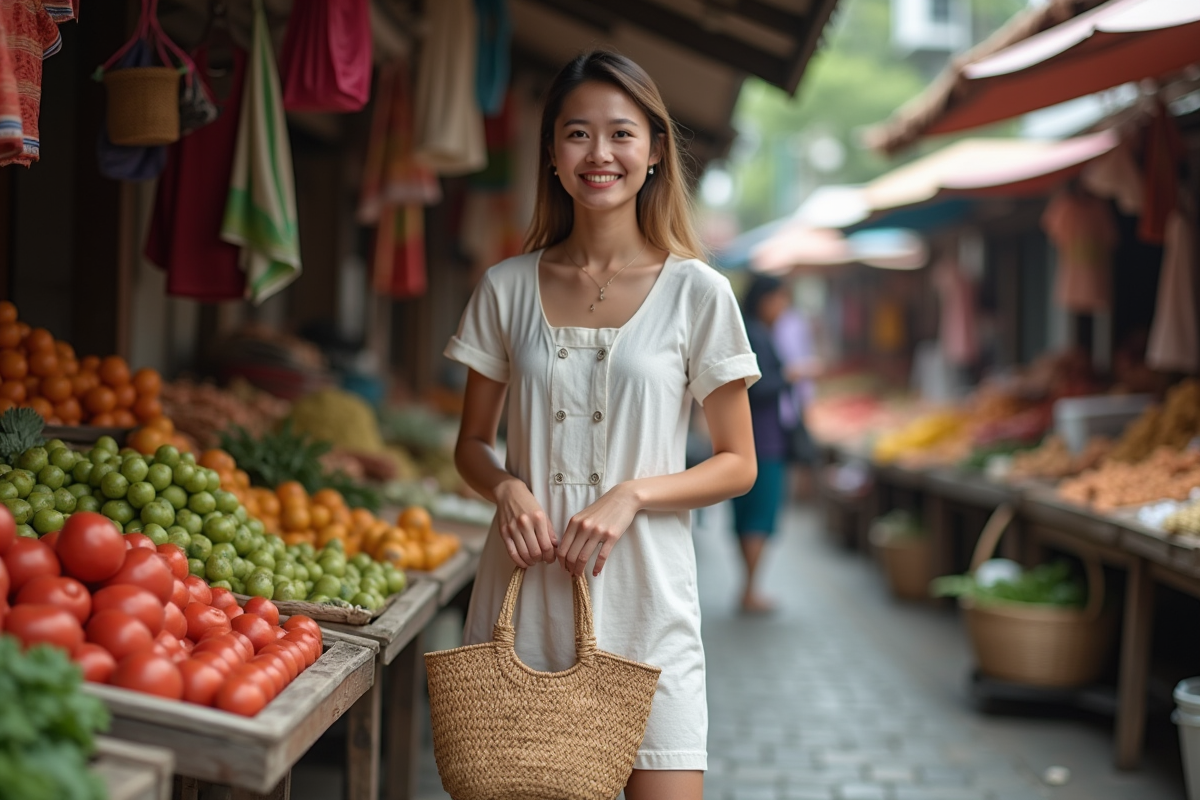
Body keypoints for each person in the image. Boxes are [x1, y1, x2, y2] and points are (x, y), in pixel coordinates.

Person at [444, 51, 760, 799]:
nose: (600, 154)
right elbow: (469, 444)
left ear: (653, 152)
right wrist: (507, 489)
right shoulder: (506, 287)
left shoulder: (699, 294)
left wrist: (634, 496)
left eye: (621, 134)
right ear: (552, 155)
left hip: (649, 607)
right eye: (577, 134)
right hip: (521, 607)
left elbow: (737, 462)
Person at [733, 275, 791, 613]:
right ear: (765, 299)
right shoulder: (756, 333)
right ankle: (750, 588)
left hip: (752, 436)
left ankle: (749, 585)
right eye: (781, 298)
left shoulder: (748, 330)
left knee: (747, 516)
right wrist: (791, 377)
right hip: (763, 440)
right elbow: (759, 387)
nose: (783, 307)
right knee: (759, 515)